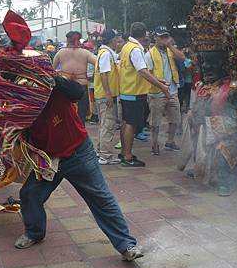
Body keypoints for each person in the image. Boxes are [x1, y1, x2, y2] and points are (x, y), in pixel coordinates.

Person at [0, 11, 142, 260]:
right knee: (30, 194)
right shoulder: (11, 104)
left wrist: (56, 81)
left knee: (101, 198)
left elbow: (76, 92)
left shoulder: (49, 84)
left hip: (77, 151)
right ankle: (34, 232)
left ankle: (126, 245)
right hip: (47, 159)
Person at [178, 0, 237, 196]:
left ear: (225, 62)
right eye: (204, 63)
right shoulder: (206, 85)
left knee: (224, 145)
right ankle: (203, 169)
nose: (206, 67)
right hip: (211, 131)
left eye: (212, 63)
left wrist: (216, 126)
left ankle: (226, 181)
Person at [118, 22, 170, 167]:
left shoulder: (127, 46)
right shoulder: (135, 49)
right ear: (144, 35)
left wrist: (157, 80)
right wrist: (161, 86)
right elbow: (141, 71)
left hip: (127, 90)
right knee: (131, 124)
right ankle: (128, 156)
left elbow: (139, 70)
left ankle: (124, 153)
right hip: (134, 91)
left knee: (127, 122)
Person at [144, 26, 185, 155]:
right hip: (157, 93)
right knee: (155, 121)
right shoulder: (149, 54)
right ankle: (154, 144)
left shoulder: (171, 51)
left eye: (166, 37)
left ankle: (170, 141)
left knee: (175, 119)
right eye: (161, 37)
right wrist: (160, 85)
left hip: (172, 90)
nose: (164, 40)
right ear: (155, 38)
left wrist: (171, 46)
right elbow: (148, 74)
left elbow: (183, 58)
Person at [52, 31, 96, 123]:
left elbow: (51, 70)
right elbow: (99, 63)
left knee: (65, 117)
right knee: (81, 118)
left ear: (68, 40)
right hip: (81, 86)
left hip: (65, 86)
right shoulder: (85, 53)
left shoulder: (61, 53)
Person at [94, 29, 120, 165]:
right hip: (105, 96)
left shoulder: (105, 53)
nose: (117, 41)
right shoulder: (105, 54)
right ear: (111, 40)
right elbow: (104, 74)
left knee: (104, 124)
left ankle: (101, 151)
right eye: (116, 39)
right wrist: (108, 95)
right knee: (108, 125)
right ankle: (106, 155)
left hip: (103, 95)